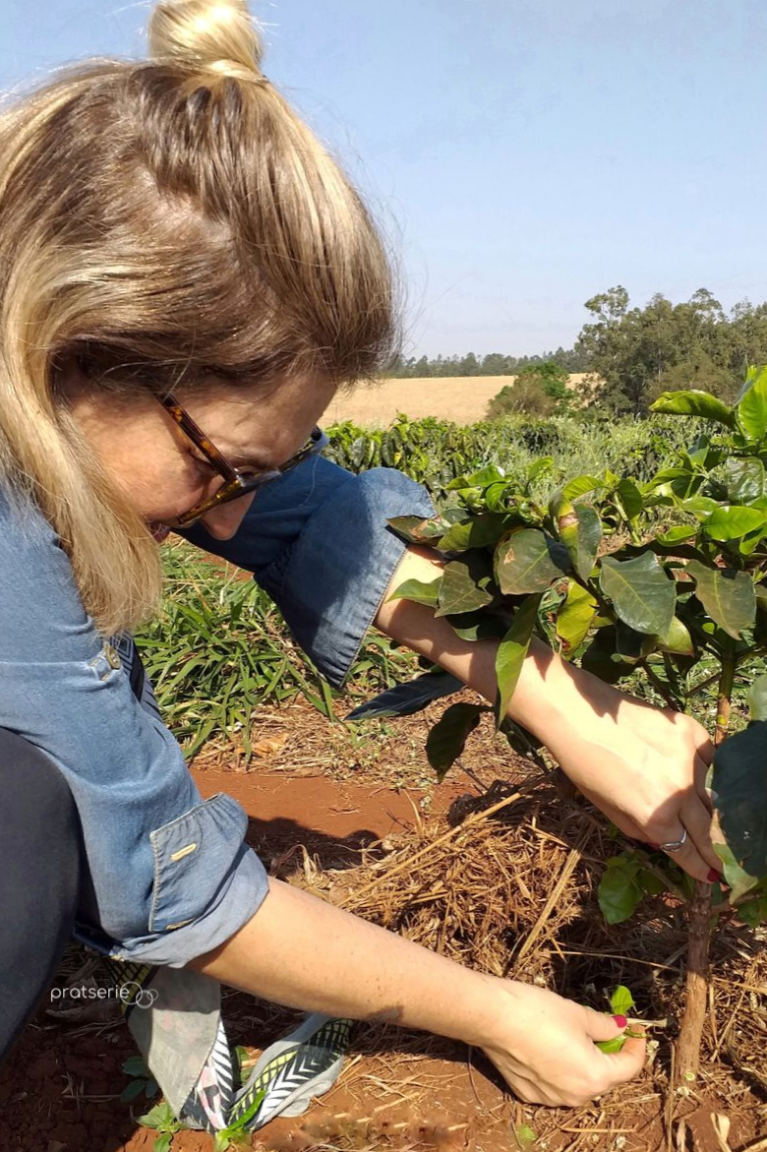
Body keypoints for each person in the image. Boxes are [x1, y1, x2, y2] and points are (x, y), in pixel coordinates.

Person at [0, 0, 721, 1118]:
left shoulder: (97, 401)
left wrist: (575, 713)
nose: (231, 512)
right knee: (21, 821)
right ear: (71, 350)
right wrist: (492, 1011)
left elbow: (313, 518)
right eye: (223, 466)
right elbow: (165, 871)